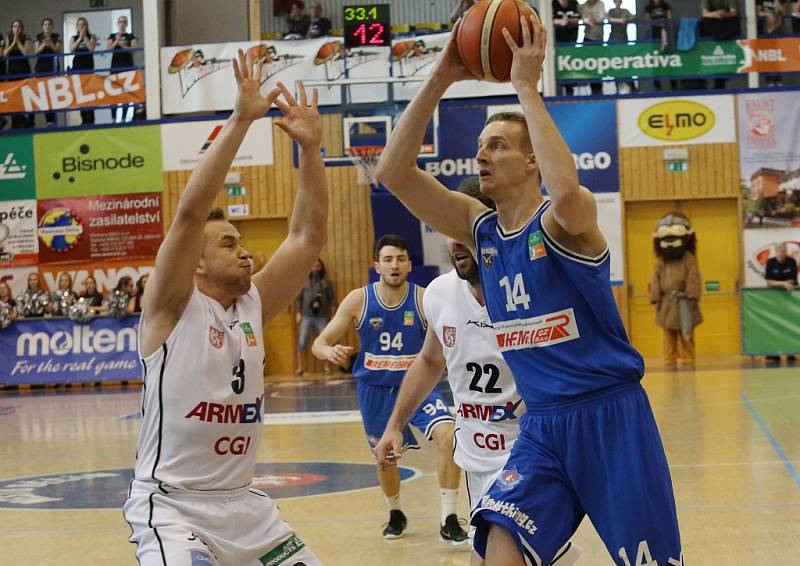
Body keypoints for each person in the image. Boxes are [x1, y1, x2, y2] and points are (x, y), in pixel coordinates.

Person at [375, 16, 682, 564]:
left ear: (532, 159)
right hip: (540, 426)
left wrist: (525, 87)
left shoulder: (566, 222)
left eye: (497, 145)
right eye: (479, 145)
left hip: (609, 416)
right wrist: (442, 75)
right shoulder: (481, 230)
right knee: (499, 540)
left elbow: (566, 190)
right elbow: (393, 173)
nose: (482, 155)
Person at [122, 49, 326, 565]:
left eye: (242, 242)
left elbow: (306, 237)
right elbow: (190, 212)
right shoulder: (170, 306)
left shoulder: (253, 303)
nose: (245, 252)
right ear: (195, 262)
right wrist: (240, 120)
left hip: (247, 510)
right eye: (229, 243)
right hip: (174, 508)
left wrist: (313, 152)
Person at [374, 180, 583, 566]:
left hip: (530, 455)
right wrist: (395, 425)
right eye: (448, 230)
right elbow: (430, 361)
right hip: (477, 461)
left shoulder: (533, 289)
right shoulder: (438, 293)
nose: (455, 241)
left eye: (465, 230)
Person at [311, 234, 468, 543]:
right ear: (377, 266)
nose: (394, 265)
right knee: (385, 459)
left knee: (449, 436)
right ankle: (395, 512)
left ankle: (449, 517)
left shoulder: (425, 298)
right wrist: (329, 352)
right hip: (376, 393)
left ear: (410, 265)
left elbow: (455, 332)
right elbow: (319, 342)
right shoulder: (359, 300)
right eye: (388, 259)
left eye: (400, 259)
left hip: (419, 389)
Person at [650, 212, 702, 368]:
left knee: (686, 331)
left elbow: (693, 277)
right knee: (668, 333)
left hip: (684, 300)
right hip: (667, 302)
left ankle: (688, 357)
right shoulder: (661, 261)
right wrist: (656, 297)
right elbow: (655, 279)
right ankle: (669, 358)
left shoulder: (688, 258)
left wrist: (691, 294)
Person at [295, 258, 337, 375]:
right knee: (302, 342)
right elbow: (299, 299)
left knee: (325, 341)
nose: (315, 267)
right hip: (306, 316)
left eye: (318, 265)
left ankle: (326, 366)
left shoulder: (326, 282)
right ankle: (301, 367)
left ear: (321, 267)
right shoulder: (304, 281)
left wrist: (333, 314)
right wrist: (298, 313)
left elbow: (332, 299)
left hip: (322, 316)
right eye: (313, 265)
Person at [764, 241, 798, 364]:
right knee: (774, 326)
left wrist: (785, 283)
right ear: (775, 251)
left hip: (789, 300)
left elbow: (792, 280)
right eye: (779, 251)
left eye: (783, 251)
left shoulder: (792, 262)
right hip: (774, 300)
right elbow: (769, 282)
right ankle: (774, 353)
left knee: (790, 325)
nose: (781, 253)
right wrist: (782, 283)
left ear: (786, 251)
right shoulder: (770, 262)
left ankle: (790, 352)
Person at [701, 0, 740, 89]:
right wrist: (716, 13)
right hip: (711, 32)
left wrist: (723, 15)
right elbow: (705, 14)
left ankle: (721, 80)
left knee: (727, 57)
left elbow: (733, 13)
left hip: (728, 29)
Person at [107, 14, 139, 122]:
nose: (122, 24)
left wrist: (121, 44)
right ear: (117, 24)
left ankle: (126, 117)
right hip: (115, 67)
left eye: (124, 22)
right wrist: (117, 41)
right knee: (114, 93)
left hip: (128, 66)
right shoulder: (112, 35)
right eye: (120, 21)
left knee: (127, 93)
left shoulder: (131, 36)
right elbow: (109, 48)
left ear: (127, 24)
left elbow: (133, 49)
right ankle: (114, 117)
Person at [3, 20, 33, 128]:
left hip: (24, 69)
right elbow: (5, 53)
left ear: (22, 28)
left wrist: (18, 42)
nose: (17, 28)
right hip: (12, 70)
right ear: (12, 28)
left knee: (25, 95)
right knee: (14, 96)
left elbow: (25, 52)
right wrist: (12, 43)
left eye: (19, 26)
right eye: (15, 26)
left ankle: (27, 121)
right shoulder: (8, 37)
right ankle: (15, 121)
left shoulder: (26, 37)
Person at [69, 17, 98, 125]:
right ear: (77, 26)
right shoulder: (74, 37)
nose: (81, 26)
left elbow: (91, 49)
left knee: (89, 92)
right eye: (79, 24)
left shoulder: (92, 36)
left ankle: (91, 116)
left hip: (88, 67)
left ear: (86, 26)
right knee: (80, 93)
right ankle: (83, 117)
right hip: (77, 67)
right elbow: (71, 49)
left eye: (83, 24)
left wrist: (84, 37)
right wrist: (79, 38)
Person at [34, 17, 61, 126]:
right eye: (45, 24)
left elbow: (57, 51)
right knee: (43, 95)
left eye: (49, 24)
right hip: (41, 68)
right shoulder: (38, 37)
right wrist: (44, 44)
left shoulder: (56, 37)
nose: (47, 26)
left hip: (53, 67)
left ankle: (53, 120)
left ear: (52, 26)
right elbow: (36, 52)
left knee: (53, 94)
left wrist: (50, 44)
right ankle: (48, 120)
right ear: (42, 26)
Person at [644, 0, 676, 91]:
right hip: (654, 36)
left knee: (670, 59)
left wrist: (665, 23)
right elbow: (647, 20)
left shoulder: (666, 6)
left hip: (666, 34)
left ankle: (673, 87)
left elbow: (669, 18)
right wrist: (657, 23)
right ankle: (657, 87)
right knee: (656, 60)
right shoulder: (648, 7)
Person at [552, 0, 581, 95]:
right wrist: (560, 21)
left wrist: (569, 21)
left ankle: (570, 91)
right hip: (557, 43)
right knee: (558, 66)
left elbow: (578, 17)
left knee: (570, 65)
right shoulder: (553, 4)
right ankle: (558, 92)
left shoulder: (574, 3)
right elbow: (548, 18)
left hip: (571, 41)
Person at [607, 0, 637, 93]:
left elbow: (633, 17)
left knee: (625, 64)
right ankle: (617, 88)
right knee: (615, 65)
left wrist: (626, 19)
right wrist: (620, 20)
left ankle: (632, 87)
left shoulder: (625, 11)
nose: (618, 2)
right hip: (613, 41)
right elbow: (609, 18)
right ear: (614, 2)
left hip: (623, 41)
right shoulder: (611, 11)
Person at [755, 0, 785, 86]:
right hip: (765, 31)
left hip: (776, 30)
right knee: (767, 56)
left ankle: (778, 79)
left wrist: (778, 3)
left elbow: (783, 12)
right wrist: (768, 14)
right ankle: (769, 80)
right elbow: (758, 12)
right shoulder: (760, 1)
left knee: (778, 55)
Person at [580, 0, 606, 95]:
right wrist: (588, 21)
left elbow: (601, 17)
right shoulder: (583, 6)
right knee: (589, 65)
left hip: (599, 39)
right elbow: (583, 18)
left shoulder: (601, 4)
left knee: (599, 65)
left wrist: (594, 20)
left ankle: (599, 90)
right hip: (587, 39)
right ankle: (592, 90)